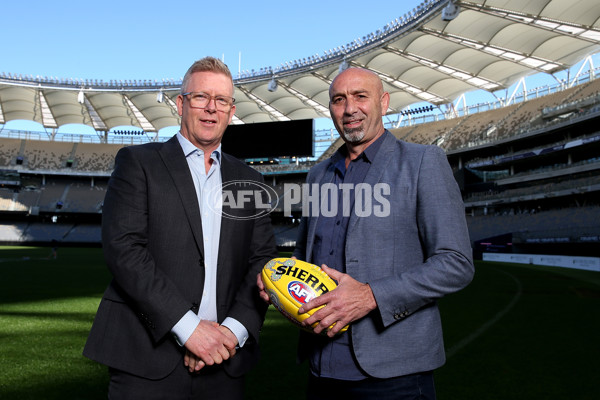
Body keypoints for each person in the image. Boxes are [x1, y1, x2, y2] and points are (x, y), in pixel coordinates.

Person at [258, 67, 474, 399]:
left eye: (361, 96)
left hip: (395, 374)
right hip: (322, 368)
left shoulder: (422, 163)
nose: (349, 109)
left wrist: (371, 296)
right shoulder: (318, 176)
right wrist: (278, 280)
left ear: (384, 102)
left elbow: (456, 263)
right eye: (338, 100)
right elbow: (306, 259)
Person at [84, 57, 278, 400]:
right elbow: (124, 249)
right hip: (145, 359)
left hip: (224, 360)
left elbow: (261, 261)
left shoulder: (250, 180)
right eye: (201, 97)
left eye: (221, 100)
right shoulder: (138, 162)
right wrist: (189, 330)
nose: (211, 109)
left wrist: (229, 334)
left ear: (231, 111)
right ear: (181, 103)